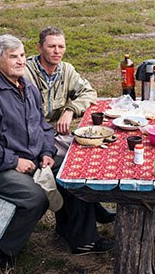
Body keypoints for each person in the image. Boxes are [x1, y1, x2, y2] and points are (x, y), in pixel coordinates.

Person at [0, 34, 112, 266]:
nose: (20, 61)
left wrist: (46, 152)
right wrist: (14, 162)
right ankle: (2, 253)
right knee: (35, 198)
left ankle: (80, 239)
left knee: (73, 173)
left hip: (33, 158)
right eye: (12, 57)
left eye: (22, 55)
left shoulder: (27, 88)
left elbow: (43, 127)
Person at [24, 26, 115, 225]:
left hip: (55, 134)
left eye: (61, 46)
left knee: (92, 149)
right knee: (76, 163)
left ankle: (92, 209)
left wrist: (70, 109)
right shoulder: (26, 73)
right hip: (33, 137)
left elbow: (89, 92)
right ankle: (81, 228)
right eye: (51, 46)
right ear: (39, 48)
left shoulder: (66, 70)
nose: (57, 51)